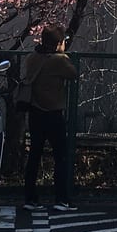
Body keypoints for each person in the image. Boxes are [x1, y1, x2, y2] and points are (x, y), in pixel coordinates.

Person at [21, 23, 78, 212]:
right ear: (58, 43)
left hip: (35, 113)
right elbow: (73, 74)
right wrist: (62, 54)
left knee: (34, 156)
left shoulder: (31, 58)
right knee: (60, 156)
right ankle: (61, 199)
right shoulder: (59, 61)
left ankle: (30, 198)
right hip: (53, 114)